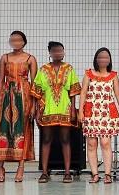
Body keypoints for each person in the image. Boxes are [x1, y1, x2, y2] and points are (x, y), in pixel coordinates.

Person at [0, 30, 38, 183]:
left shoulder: (30, 58)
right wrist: (0, 101)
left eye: (18, 40)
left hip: (24, 96)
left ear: (24, 41)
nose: (15, 42)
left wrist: (33, 106)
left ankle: (21, 167)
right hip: (6, 96)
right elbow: (0, 79)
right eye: (12, 39)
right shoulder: (5, 57)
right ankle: (0, 168)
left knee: (22, 131)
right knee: (2, 129)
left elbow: (35, 84)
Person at [32, 41, 82, 184]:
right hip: (47, 109)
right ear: (50, 53)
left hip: (65, 109)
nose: (58, 53)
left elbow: (73, 91)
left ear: (64, 52)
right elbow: (37, 92)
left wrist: (73, 109)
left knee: (65, 140)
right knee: (47, 140)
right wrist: (36, 111)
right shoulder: (43, 70)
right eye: (55, 51)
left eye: (60, 51)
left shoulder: (69, 68)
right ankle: (44, 173)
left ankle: (67, 173)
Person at [80, 47, 119, 184]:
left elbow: (118, 94)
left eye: (106, 57)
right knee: (91, 143)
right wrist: (80, 112)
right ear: (96, 59)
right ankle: (95, 174)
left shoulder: (113, 75)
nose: (103, 60)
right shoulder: (88, 74)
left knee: (105, 143)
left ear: (110, 60)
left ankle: (107, 173)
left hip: (107, 113)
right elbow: (83, 92)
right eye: (100, 57)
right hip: (91, 112)